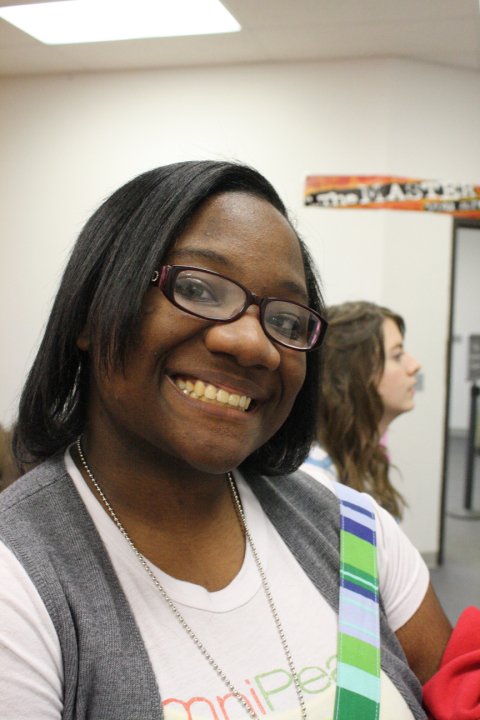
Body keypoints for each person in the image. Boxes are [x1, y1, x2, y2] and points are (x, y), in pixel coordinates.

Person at [0, 161, 450, 720]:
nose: (252, 344)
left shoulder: (356, 532)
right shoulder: (17, 583)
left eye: (286, 321)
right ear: (90, 313)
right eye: (197, 288)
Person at [302, 301, 421, 518]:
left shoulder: (365, 452)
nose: (414, 366)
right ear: (356, 374)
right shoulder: (317, 479)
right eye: (397, 355)